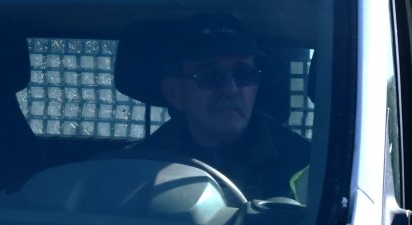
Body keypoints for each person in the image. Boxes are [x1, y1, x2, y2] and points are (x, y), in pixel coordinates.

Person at [124, 13, 312, 201]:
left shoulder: (308, 164)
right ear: (174, 92)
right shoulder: (134, 167)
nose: (230, 89)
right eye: (209, 75)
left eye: (243, 74)